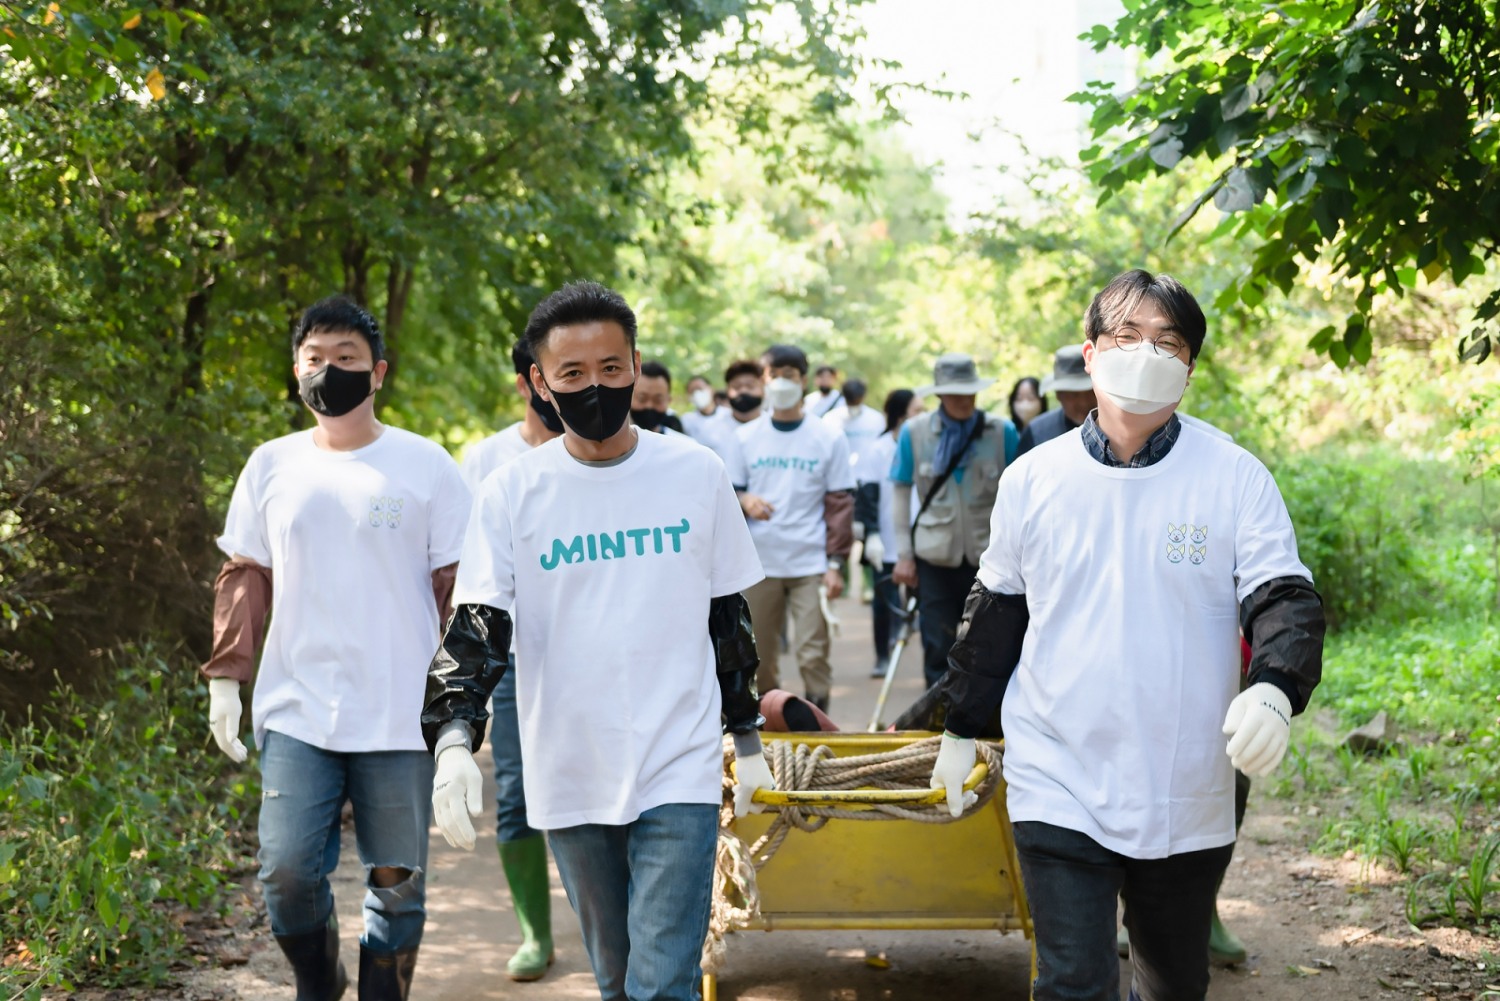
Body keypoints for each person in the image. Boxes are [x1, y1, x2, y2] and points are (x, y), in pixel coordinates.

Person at [928, 269, 1325, 1001]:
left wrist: (1275, 685)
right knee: (1073, 981)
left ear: (1190, 366)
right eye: (1127, 336)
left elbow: (1284, 597)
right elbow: (996, 612)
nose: (1147, 354)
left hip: (1185, 779)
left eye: (1168, 342)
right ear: (1090, 352)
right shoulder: (1033, 478)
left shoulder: (1233, 475)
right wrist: (960, 726)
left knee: (1173, 984)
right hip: (1059, 771)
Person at [420, 281, 774, 1001]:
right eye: (573, 374)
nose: (595, 387)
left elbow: (725, 616)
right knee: (616, 978)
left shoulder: (695, 473)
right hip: (572, 764)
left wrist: (746, 734)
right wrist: (455, 733)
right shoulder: (513, 492)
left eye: (612, 369)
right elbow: (480, 625)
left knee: (662, 981)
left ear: (636, 366)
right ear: (539, 383)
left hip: (679, 760)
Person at [203, 295, 471, 1001]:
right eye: (316, 359)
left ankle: (384, 989)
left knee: (397, 881)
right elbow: (246, 573)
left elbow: (459, 594)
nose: (330, 372)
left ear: (378, 372)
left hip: (400, 710)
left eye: (347, 359)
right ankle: (319, 976)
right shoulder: (271, 464)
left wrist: (462, 711)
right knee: (286, 870)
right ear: (296, 371)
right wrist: (226, 677)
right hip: (298, 706)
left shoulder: (425, 465)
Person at [456, 339, 562, 983]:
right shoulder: (488, 460)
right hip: (519, 658)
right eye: (555, 377)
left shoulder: (610, 449)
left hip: (597, 657)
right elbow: (473, 571)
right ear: (528, 381)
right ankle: (535, 934)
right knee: (519, 796)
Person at [736, 344, 856, 712]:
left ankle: (820, 726)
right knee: (761, 655)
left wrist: (836, 564)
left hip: (810, 563)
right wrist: (744, 499)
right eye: (775, 376)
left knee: (812, 655)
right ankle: (771, 727)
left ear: (803, 381)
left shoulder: (828, 436)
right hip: (759, 564)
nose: (782, 383)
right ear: (764, 381)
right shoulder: (745, 437)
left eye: (790, 376)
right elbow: (730, 491)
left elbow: (840, 503)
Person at [890, 352, 1017, 688]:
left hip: (989, 558)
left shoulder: (1001, 432)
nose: (963, 399)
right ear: (939, 394)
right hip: (934, 556)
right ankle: (938, 724)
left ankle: (988, 724)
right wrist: (903, 555)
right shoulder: (914, 433)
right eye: (955, 392)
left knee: (990, 644)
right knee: (937, 642)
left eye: (968, 391)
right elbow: (900, 493)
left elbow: (1020, 498)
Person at [853, 388, 920, 678]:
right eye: (918, 411)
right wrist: (871, 534)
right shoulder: (877, 449)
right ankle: (882, 655)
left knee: (924, 601)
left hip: (920, 538)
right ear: (901, 415)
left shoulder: (925, 444)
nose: (924, 416)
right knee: (883, 601)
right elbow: (866, 495)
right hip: (887, 538)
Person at [1016, 345, 1097, 457]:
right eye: (1074, 395)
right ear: (1059, 394)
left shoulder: (1122, 427)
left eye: (1090, 392)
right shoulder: (1036, 433)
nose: (1083, 402)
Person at [824, 378, 886, 470]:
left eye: (856, 400)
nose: (854, 404)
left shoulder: (877, 419)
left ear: (863, 396)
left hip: (869, 475)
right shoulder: (831, 419)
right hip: (840, 474)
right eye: (850, 400)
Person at [629, 360, 685, 435]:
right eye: (642, 399)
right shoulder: (610, 443)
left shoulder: (683, 444)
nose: (649, 406)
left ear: (668, 401)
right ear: (628, 397)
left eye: (657, 400)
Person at [724, 359, 766, 426]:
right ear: (727, 390)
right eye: (736, 387)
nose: (743, 391)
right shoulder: (712, 429)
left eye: (750, 386)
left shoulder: (776, 426)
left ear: (763, 389)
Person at [679, 373, 720, 439]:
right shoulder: (687, 420)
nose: (696, 393)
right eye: (692, 391)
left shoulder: (728, 415)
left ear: (711, 389)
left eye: (700, 389)